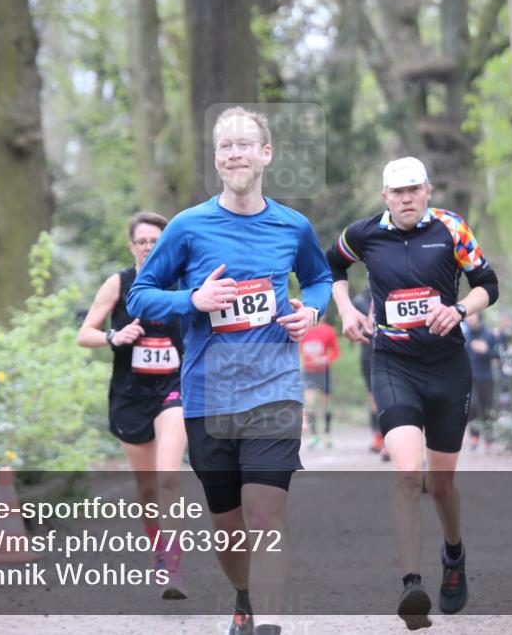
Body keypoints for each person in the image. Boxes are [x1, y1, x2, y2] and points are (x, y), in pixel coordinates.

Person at [127, 106, 332, 635]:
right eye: (225, 146)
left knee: (266, 516)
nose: (235, 153)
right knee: (228, 528)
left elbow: (317, 279)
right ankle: (244, 596)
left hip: (274, 392)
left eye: (245, 144)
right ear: (216, 159)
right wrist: (194, 299)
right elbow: (141, 296)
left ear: (266, 154)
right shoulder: (187, 227)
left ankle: (268, 625)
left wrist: (310, 312)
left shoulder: (293, 225)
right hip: (207, 397)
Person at [326, 157, 498, 629]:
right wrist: (344, 308)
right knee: (407, 475)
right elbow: (333, 264)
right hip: (394, 364)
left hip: (447, 367)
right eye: (397, 192)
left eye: (414, 190)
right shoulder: (363, 234)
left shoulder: (451, 228)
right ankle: (411, 585)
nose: (406, 198)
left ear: (427, 191)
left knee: (440, 486)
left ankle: (454, 553)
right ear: (385, 196)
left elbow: (488, 284)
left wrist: (460, 309)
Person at [77, 211, 189, 600]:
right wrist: (115, 335)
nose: (148, 246)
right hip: (129, 395)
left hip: (174, 391)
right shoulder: (119, 283)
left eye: (155, 240)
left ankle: (173, 564)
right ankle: (159, 549)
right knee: (146, 489)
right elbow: (84, 333)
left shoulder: (181, 281)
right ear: (132, 245)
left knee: (168, 477)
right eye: (142, 241)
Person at [351, 287, 388, 460]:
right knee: (374, 397)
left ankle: (389, 439)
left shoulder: (389, 289)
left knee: (391, 395)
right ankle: (378, 436)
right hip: (369, 352)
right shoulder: (360, 300)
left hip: (390, 349)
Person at [462, 312, 500, 451]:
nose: (469, 318)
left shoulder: (489, 334)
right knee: (473, 406)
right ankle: (474, 436)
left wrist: (486, 350)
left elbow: (496, 355)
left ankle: (489, 438)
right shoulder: (465, 336)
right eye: (467, 316)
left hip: (486, 377)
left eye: (472, 315)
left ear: (479, 317)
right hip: (470, 378)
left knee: (487, 409)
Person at [299, 320, 340, 449]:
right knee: (309, 403)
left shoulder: (328, 330)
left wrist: (323, 359)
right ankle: (314, 436)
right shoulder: (302, 330)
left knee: (326, 404)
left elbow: (335, 352)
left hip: (324, 371)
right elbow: (300, 351)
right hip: (309, 372)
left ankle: (327, 435)